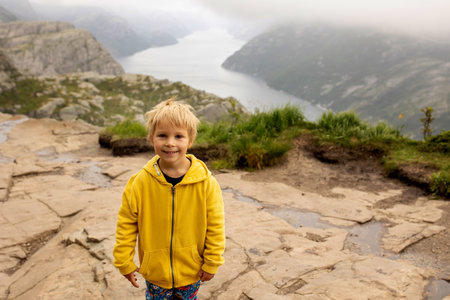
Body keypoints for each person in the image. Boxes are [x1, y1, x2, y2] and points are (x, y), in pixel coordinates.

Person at [113, 98, 225, 299]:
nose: (170, 143)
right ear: (151, 139)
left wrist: (212, 261)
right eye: (162, 135)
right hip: (156, 273)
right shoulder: (140, 182)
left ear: (190, 140)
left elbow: (215, 225)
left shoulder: (206, 183)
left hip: (191, 271)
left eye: (179, 136)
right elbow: (126, 224)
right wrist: (124, 261)